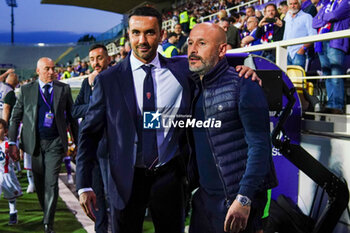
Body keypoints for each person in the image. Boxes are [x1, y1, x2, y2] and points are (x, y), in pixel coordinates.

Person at [77, 6, 258, 233]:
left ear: (162, 34)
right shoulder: (108, 80)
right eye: (136, 33)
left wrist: (245, 70)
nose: (142, 40)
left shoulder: (182, 70)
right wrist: (84, 184)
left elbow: (216, 62)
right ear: (129, 35)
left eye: (150, 32)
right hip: (126, 179)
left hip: (169, 178)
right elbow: (89, 134)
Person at [187, 23, 277, 233]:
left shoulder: (244, 84)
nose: (193, 49)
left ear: (221, 50)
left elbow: (260, 147)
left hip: (235, 202)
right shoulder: (193, 86)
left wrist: (244, 199)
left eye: (202, 43)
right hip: (204, 200)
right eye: (190, 43)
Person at [8, 57, 78, 233]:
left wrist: (78, 142)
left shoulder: (63, 89)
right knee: (40, 185)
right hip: (34, 145)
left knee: (51, 182)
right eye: (47, 69)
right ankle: (46, 210)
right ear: (38, 71)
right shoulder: (26, 90)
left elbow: (72, 118)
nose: (51, 72)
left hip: (55, 142)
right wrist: (12, 142)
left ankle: (48, 223)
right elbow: (16, 117)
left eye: (53, 69)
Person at [74, 44, 111, 233]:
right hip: (95, 149)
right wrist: (93, 104)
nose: (95, 63)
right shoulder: (86, 83)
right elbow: (75, 110)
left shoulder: (117, 78)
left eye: (99, 58)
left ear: (108, 59)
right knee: (97, 195)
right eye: (92, 59)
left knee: (116, 196)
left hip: (116, 149)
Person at [312, 0, 350, 113]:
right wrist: (325, 17)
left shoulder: (346, 2)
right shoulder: (327, 4)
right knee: (327, 74)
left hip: (336, 42)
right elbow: (314, 22)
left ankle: (337, 106)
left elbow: (335, 15)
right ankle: (330, 103)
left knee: (335, 74)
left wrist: (322, 16)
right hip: (322, 42)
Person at [0, 119, 22, 225]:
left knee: (11, 196)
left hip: (7, 173)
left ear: (5, 131)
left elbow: (16, 159)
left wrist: (13, 154)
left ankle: (13, 213)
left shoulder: (8, 144)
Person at [283, 0, 316, 69]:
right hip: (287, 54)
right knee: (288, 78)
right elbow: (285, 36)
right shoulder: (287, 18)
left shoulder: (307, 17)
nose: (293, 6)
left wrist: (302, 49)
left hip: (299, 53)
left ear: (300, 4)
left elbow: (313, 35)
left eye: (295, 3)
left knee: (298, 78)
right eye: (290, 4)